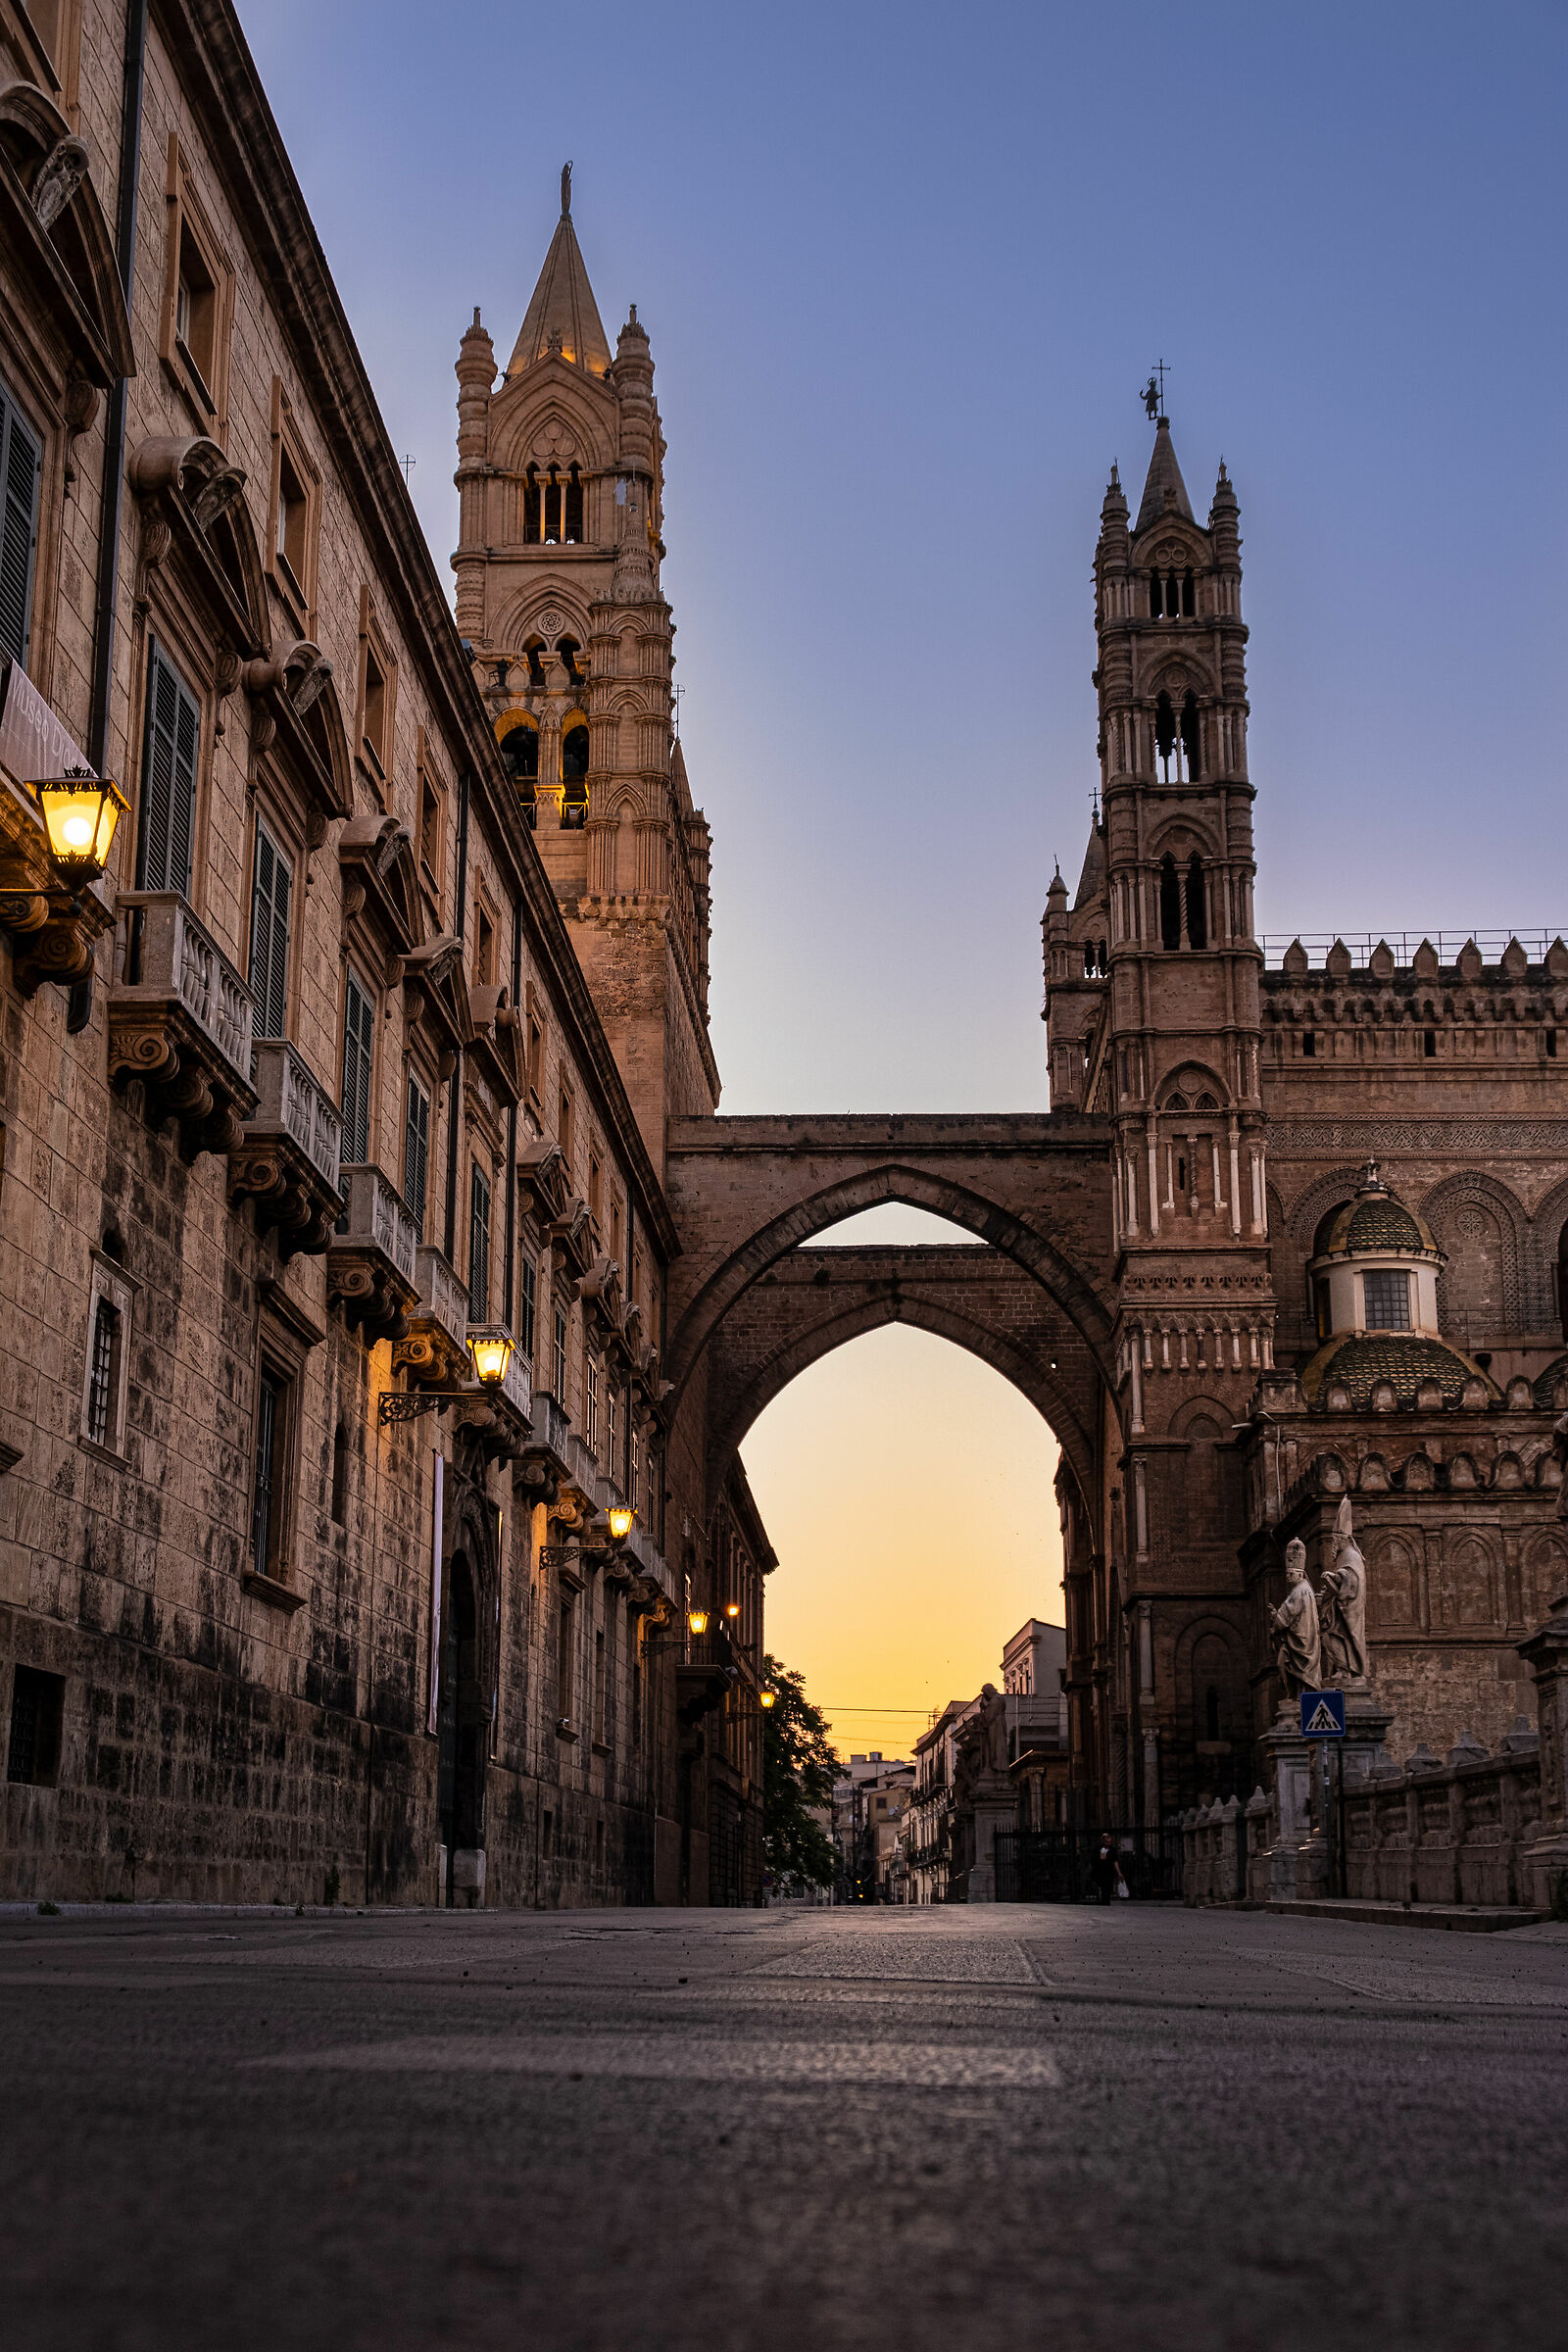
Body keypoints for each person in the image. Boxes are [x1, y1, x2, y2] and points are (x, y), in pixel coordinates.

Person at [1091, 1833, 1125, 1904]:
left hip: (1109, 1871)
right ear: (1103, 1841)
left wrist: (1119, 1872)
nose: (1108, 1843)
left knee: (1108, 1886)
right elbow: (1093, 1860)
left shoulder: (1112, 1850)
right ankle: (1103, 1900)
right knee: (1103, 1886)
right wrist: (1100, 1858)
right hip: (1100, 1871)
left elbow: (1115, 1861)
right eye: (1106, 1842)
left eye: (1109, 1842)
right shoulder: (1098, 1849)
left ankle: (1106, 1901)